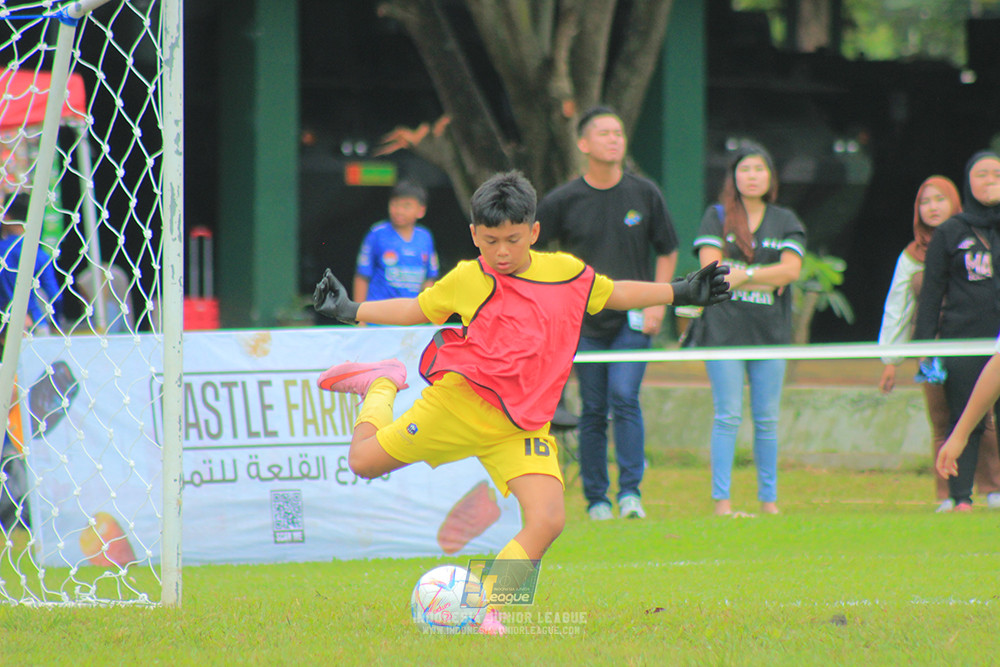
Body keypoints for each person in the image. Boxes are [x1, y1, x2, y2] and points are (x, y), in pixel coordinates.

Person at [312, 170, 730, 634]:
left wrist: (680, 291)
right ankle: (381, 384)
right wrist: (351, 310)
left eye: (513, 239)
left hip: (521, 427)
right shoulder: (467, 278)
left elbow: (614, 293)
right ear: (474, 235)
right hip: (458, 407)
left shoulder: (566, 272)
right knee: (363, 462)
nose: (502, 252)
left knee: (548, 518)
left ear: (534, 231)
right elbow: (415, 308)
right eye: (490, 241)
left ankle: (484, 607)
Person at [536, 106, 679, 521]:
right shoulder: (563, 200)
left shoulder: (645, 193)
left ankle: (631, 493)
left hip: (634, 319)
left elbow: (668, 249)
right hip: (582, 324)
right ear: (584, 144)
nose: (614, 139)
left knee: (624, 396)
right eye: (604, 133)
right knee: (594, 407)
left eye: (618, 132)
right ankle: (596, 499)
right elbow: (530, 251)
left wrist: (657, 301)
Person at [687, 142, 805, 516]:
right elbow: (712, 271)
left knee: (767, 420)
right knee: (728, 416)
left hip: (770, 334)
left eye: (759, 169)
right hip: (723, 333)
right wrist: (765, 277)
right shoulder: (716, 216)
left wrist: (747, 274)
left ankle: (768, 502)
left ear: (770, 177)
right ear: (733, 177)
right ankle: (722, 503)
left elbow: (791, 270)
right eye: (744, 169)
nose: (752, 176)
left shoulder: (785, 219)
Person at [876, 176, 1000, 511]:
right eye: (925, 202)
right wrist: (893, 358)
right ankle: (948, 494)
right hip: (934, 347)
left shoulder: (981, 238)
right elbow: (898, 307)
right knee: (944, 418)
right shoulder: (911, 255)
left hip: (978, 341)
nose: (932, 207)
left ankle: (992, 487)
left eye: (940, 200)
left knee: (983, 416)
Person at [915, 150, 1000, 511]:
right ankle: (959, 496)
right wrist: (924, 348)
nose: (990, 181)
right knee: (965, 416)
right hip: (963, 340)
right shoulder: (951, 231)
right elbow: (931, 293)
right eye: (981, 174)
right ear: (968, 182)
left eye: (997, 174)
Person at [353, 179, 439, 305]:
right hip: (379, 313)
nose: (399, 211)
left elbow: (429, 279)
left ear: (421, 211)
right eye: (395, 204)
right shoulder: (377, 233)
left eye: (406, 206)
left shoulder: (425, 237)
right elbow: (362, 276)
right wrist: (358, 313)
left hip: (411, 314)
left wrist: (425, 310)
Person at [0, 197, 62, 335]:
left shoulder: (3, 251)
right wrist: (56, 324)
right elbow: (55, 295)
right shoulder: (40, 254)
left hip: (4, 321)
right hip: (36, 323)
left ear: (6, 217)